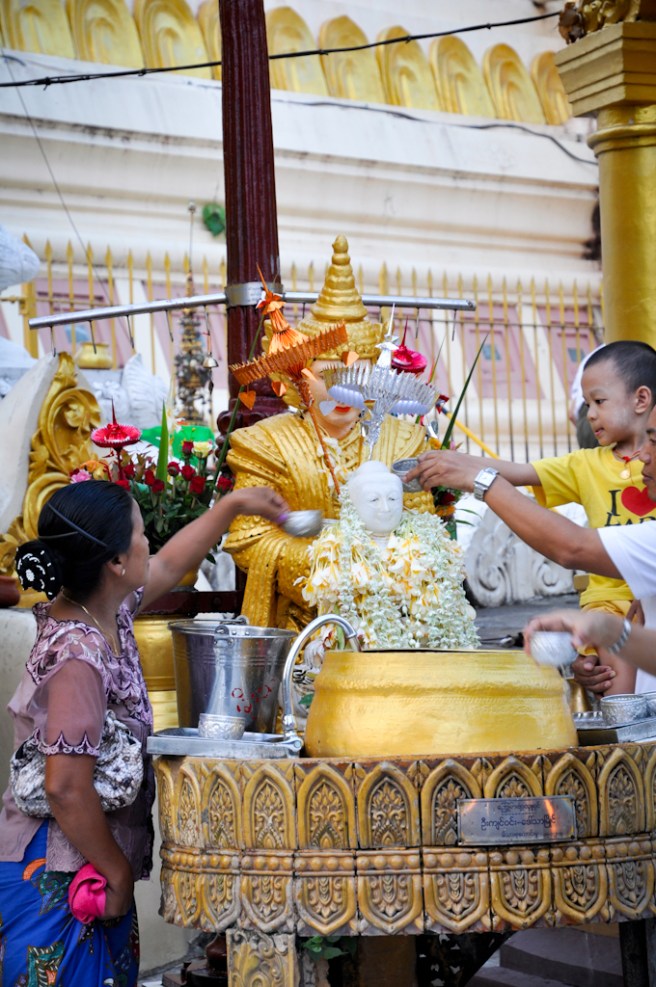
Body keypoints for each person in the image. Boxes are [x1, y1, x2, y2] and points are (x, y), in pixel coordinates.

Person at [0, 478, 287, 986]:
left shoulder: (107, 613)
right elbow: (64, 786)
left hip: (86, 864)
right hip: (60, 871)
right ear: (113, 562)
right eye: (138, 532)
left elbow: (173, 564)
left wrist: (234, 505)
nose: (146, 543)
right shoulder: (78, 657)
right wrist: (113, 871)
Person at [411, 340, 656, 696]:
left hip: (639, 594)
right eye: (587, 404)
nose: (589, 414)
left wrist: (477, 479)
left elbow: (572, 548)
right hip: (607, 600)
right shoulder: (584, 464)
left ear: (641, 400)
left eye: (599, 402)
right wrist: (458, 465)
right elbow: (518, 471)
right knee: (620, 704)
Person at [224, 235, 434, 632]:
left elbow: (421, 524)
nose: (346, 391)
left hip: (391, 617)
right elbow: (246, 538)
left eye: (358, 376)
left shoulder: (403, 440)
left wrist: (390, 557)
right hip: (302, 624)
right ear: (301, 377)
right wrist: (326, 560)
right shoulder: (266, 444)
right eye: (330, 377)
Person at [303, 461, 478, 650]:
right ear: (353, 505)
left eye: (393, 499)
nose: (385, 508)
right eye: (373, 500)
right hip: (362, 642)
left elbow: (446, 606)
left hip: (422, 639)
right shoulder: (336, 545)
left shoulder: (426, 539)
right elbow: (334, 613)